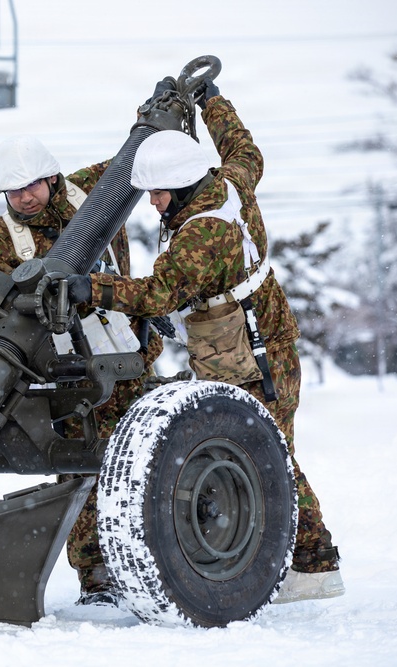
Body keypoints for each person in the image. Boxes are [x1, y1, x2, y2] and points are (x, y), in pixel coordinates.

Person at [65, 80, 344, 603]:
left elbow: (158, 294)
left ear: (187, 187)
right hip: (247, 330)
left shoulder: (202, 234)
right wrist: (211, 101)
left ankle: (315, 564)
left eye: (160, 194)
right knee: (261, 446)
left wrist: (90, 286)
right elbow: (243, 147)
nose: (153, 204)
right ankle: (300, 557)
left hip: (248, 348)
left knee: (268, 450)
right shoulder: (230, 181)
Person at [0, 135, 164, 605]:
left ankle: (159, 557)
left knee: (150, 463)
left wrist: (159, 116)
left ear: (52, 177)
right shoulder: (6, 237)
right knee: (79, 468)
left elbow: (138, 160)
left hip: (127, 352)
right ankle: (96, 576)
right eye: (12, 193)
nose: (23, 199)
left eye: (30, 187)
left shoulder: (92, 193)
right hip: (72, 370)